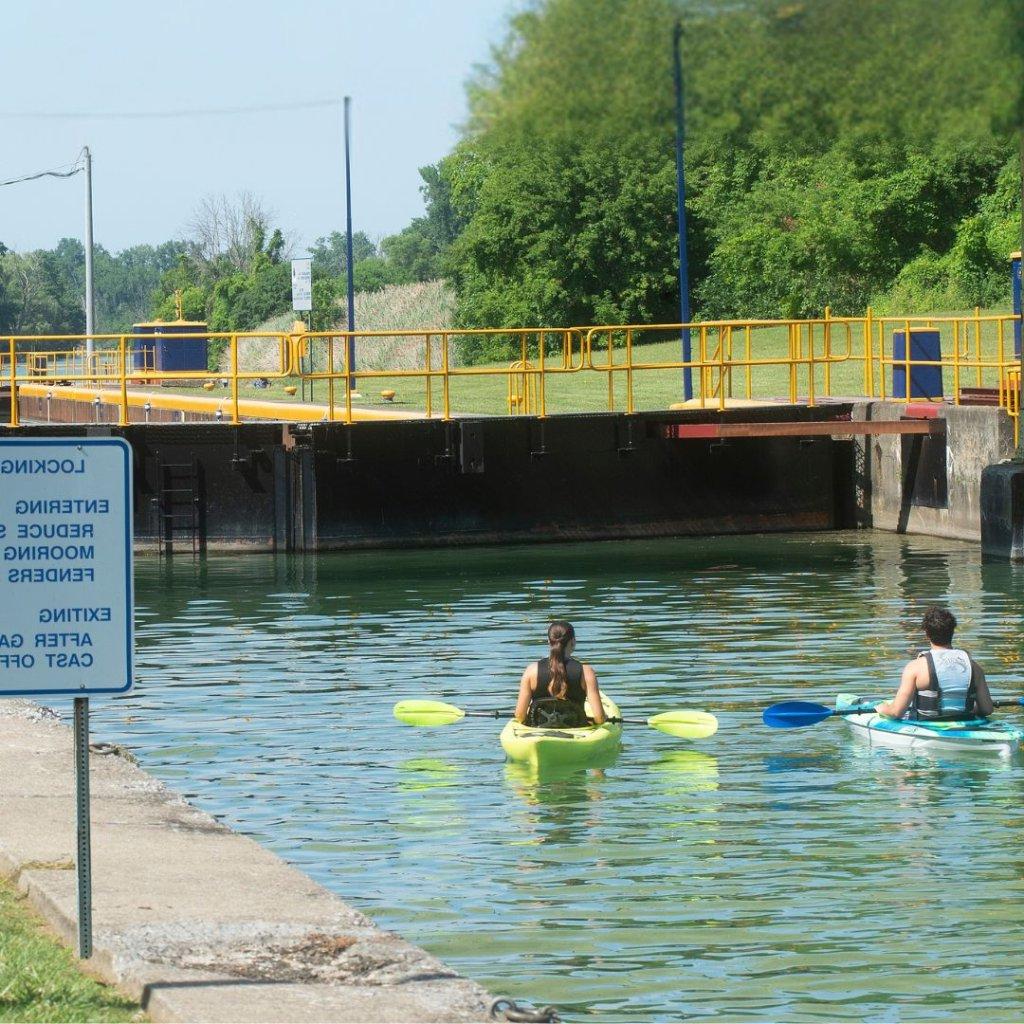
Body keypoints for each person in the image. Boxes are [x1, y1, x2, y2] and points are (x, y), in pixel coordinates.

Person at [876, 606, 994, 721]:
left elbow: (896, 712)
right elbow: (987, 709)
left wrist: (881, 708)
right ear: (952, 632)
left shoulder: (915, 667)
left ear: (927, 634)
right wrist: (972, 709)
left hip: (924, 726)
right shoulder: (974, 667)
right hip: (966, 724)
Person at [514, 621, 606, 728]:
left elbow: (520, 716)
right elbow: (599, 718)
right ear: (573, 641)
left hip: (538, 730)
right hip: (576, 731)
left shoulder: (531, 670)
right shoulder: (586, 672)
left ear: (549, 642)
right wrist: (603, 718)